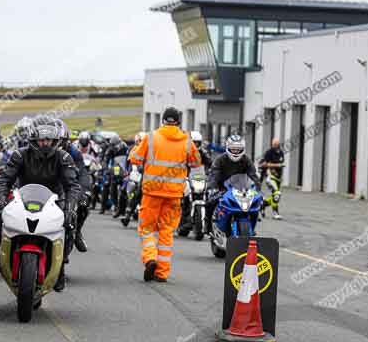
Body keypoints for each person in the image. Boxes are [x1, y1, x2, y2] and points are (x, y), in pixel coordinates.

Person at [0, 118, 81, 292]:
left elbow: (73, 186)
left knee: (70, 224)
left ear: (55, 141)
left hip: (55, 199)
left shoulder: (64, 157)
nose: (45, 143)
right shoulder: (19, 155)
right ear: (33, 140)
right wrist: (0, 199)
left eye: (48, 140)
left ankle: (60, 265)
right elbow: (4, 180)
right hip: (23, 197)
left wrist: (70, 207)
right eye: (41, 140)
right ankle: (0, 255)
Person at [129, 107, 201, 282]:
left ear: (163, 120)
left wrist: (136, 148)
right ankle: (161, 273)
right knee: (166, 231)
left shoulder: (151, 137)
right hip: (174, 195)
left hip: (152, 192)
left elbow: (135, 159)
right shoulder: (186, 141)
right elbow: (196, 162)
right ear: (178, 122)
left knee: (147, 229)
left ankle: (150, 258)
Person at [204, 135, 260, 235]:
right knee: (210, 202)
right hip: (222, 189)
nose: (235, 152)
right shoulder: (220, 159)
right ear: (227, 148)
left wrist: (257, 189)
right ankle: (207, 226)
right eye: (233, 149)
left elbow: (253, 175)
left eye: (238, 150)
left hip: (242, 189)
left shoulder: (246, 160)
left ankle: (251, 227)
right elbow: (214, 174)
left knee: (255, 206)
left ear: (243, 149)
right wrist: (212, 188)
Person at [54, 119, 91, 253]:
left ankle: (77, 232)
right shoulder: (39, 150)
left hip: (67, 186)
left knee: (83, 204)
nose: (56, 144)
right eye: (53, 140)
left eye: (60, 140)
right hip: (47, 187)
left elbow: (82, 173)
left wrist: (85, 190)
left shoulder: (74, 152)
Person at [99, 134, 129, 214]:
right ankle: (103, 207)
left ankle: (125, 206)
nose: (114, 147)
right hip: (114, 168)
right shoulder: (110, 149)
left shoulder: (125, 148)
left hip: (124, 169)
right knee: (106, 185)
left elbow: (129, 159)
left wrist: (129, 169)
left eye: (115, 145)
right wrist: (106, 168)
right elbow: (105, 160)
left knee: (127, 185)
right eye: (112, 145)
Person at [259, 138, 285, 220]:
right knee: (277, 193)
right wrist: (276, 166)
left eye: (277, 144)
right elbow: (263, 164)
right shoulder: (269, 152)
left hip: (278, 177)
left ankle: (263, 204)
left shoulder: (281, 152)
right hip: (270, 177)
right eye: (274, 144)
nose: (276, 146)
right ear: (272, 144)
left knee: (275, 195)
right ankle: (275, 213)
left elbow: (281, 162)